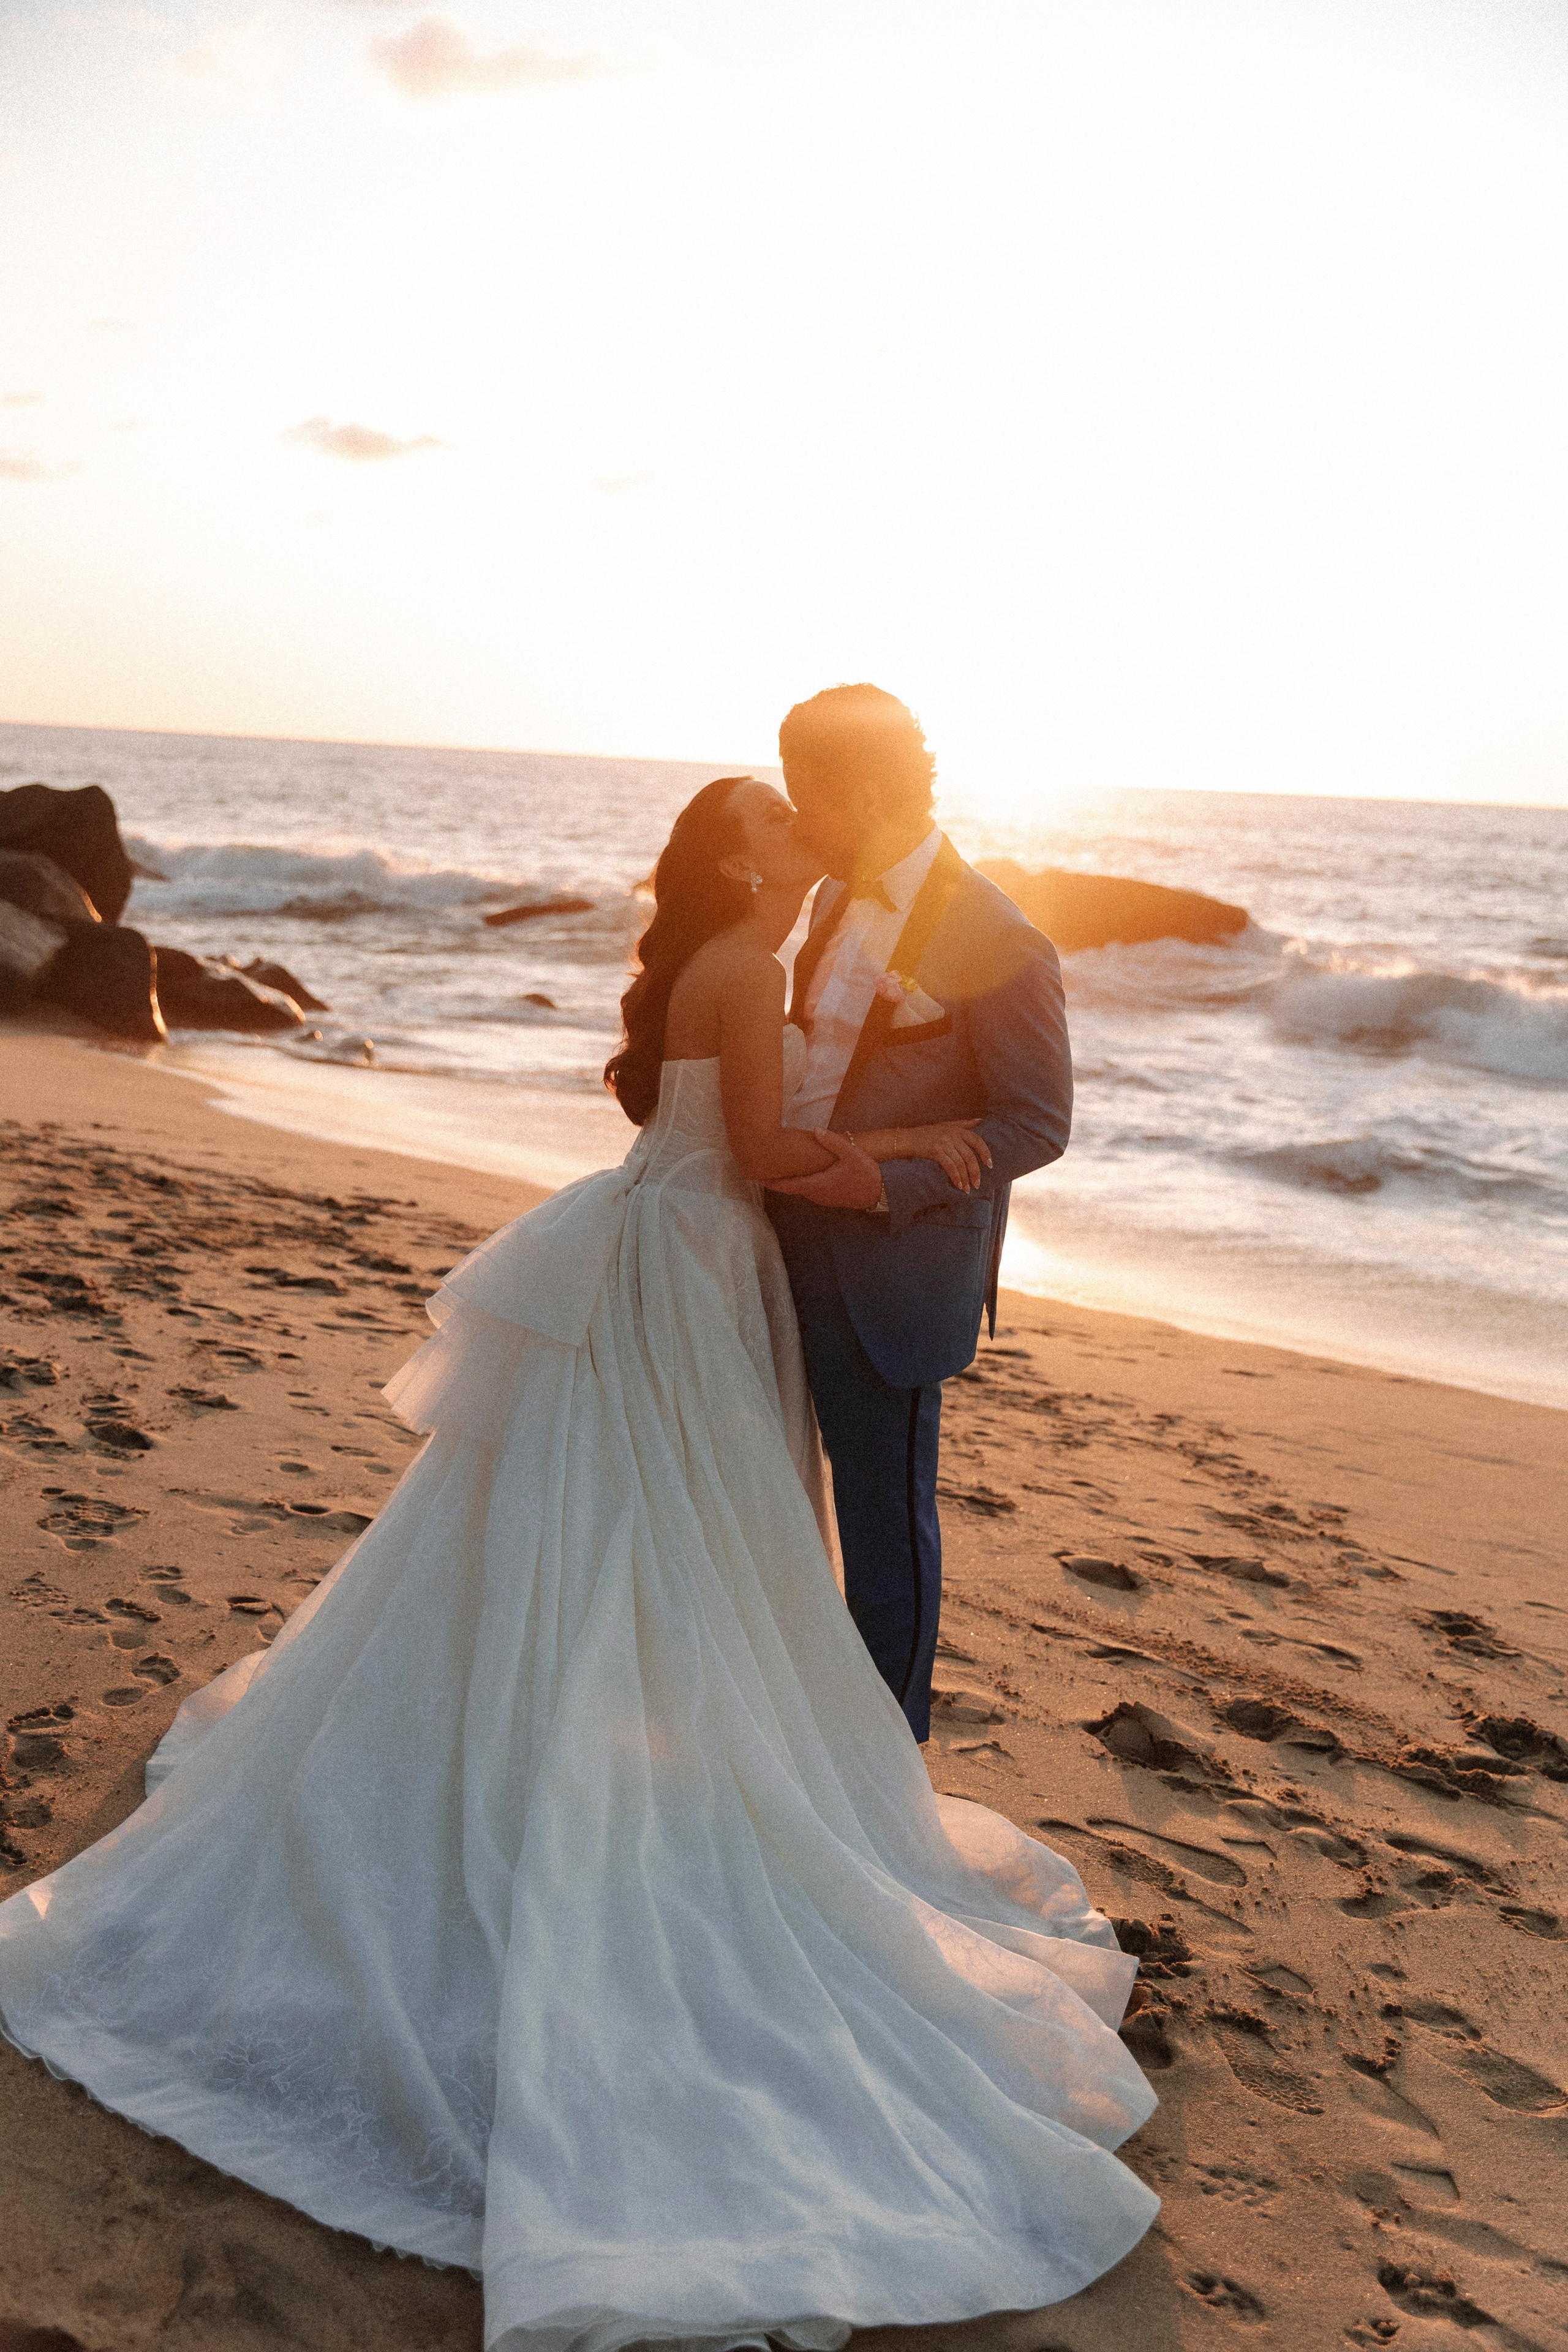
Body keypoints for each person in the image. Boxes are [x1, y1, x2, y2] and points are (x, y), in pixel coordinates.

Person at [0, 770, 1154, 2352]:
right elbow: (756, 1140)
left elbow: (864, 1116)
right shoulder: (762, 955)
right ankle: (748, 1784)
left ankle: (711, 1761)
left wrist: (895, 1152)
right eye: (784, 814)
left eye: (819, 801)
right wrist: (893, 1151)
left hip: (681, 1247)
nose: (806, 829)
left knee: (657, 1531)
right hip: (701, 1256)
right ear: (751, 851)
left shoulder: (789, 943)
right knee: (689, 1537)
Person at [768, 684, 1073, 1742]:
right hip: (768, 1248)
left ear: (857, 789)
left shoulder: (999, 932)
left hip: (890, 1276)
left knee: (883, 1533)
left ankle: (881, 1769)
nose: (796, 817)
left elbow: (1036, 1124)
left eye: (807, 792)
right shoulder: (826, 901)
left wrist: (887, 1184)